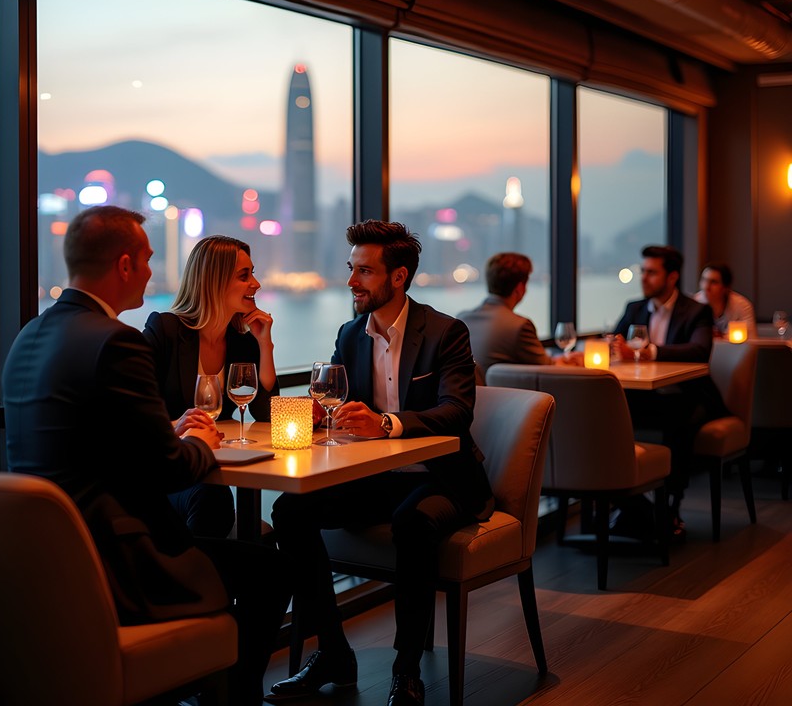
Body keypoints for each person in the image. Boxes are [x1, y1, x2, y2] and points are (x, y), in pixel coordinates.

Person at [2, 205, 290, 704]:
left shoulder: (30, 335)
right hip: (118, 560)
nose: (155, 271)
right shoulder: (117, 342)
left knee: (246, 544)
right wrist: (200, 441)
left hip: (50, 555)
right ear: (124, 266)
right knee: (270, 569)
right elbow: (171, 467)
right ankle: (223, 695)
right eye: (149, 259)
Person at [267, 220, 494, 706]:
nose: (351, 281)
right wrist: (316, 415)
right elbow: (334, 400)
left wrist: (387, 424)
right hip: (377, 477)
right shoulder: (350, 334)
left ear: (398, 277)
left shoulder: (445, 332)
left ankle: (406, 668)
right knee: (289, 511)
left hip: (441, 476)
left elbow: (457, 413)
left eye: (364, 271)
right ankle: (332, 653)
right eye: (351, 269)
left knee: (412, 523)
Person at [143, 234, 279, 537]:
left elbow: (265, 411)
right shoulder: (165, 330)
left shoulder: (241, 343)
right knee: (213, 498)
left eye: (253, 273)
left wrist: (265, 345)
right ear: (213, 281)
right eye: (244, 276)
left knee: (244, 524)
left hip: (207, 467)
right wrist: (178, 424)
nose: (255, 284)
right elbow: (135, 416)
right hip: (163, 476)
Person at [610, 244, 727, 540]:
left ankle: (672, 506)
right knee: (607, 416)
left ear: (672, 277)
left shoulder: (696, 311)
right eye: (643, 271)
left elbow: (700, 350)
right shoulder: (634, 308)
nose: (644, 278)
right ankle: (628, 502)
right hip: (647, 395)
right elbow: (616, 343)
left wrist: (649, 353)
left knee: (679, 421)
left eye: (651, 273)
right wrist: (615, 349)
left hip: (690, 394)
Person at [458, 252, 584, 381]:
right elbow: (549, 369)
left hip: (471, 398)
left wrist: (561, 359)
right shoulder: (519, 326)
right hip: (506, 399)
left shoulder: (461, 319)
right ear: (520, 288)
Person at [694, 261, 758, 339]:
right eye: (704, 280)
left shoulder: (742, 305)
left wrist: (721, 337)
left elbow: (751, 340)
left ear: (725, 288)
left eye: (713, 282)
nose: (706, 287)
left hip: (734, 350)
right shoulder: (694, 304)